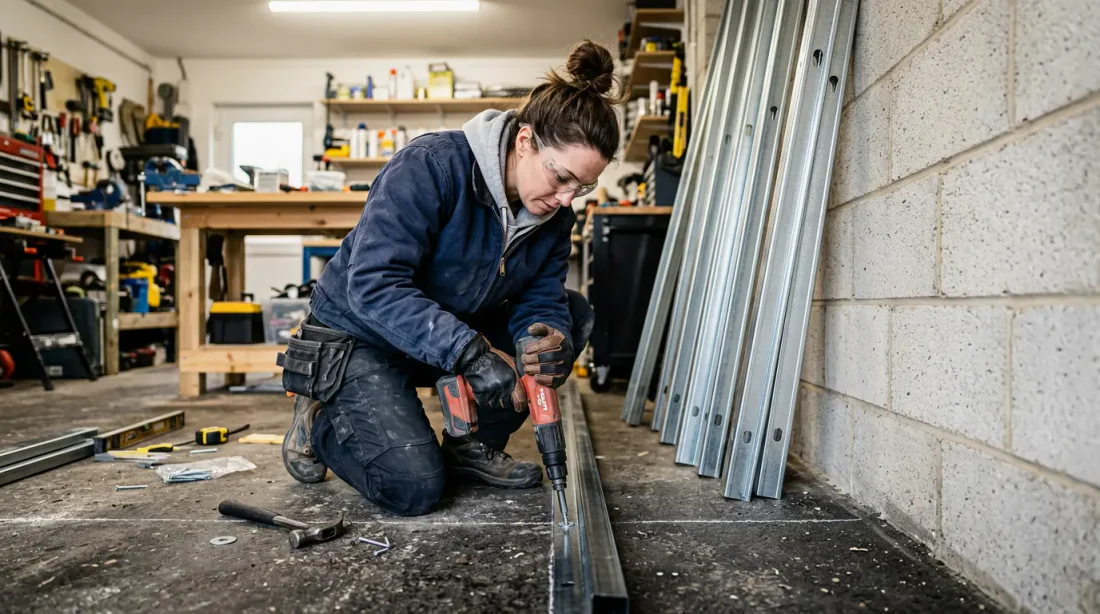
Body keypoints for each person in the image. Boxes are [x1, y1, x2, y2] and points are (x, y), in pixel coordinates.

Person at [278, 40, 622, 517]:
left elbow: (539, 293)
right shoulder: (431, 166)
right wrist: (472, 353)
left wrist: (548, 336)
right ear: (525, 142)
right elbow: (374, 284)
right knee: (413, 487)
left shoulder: (553, 213)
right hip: (360, 335)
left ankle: (469, 445)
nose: (567, 199)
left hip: (442, 331)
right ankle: (323, 413)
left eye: (581, 187)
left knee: (573, 314)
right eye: (561, 177)